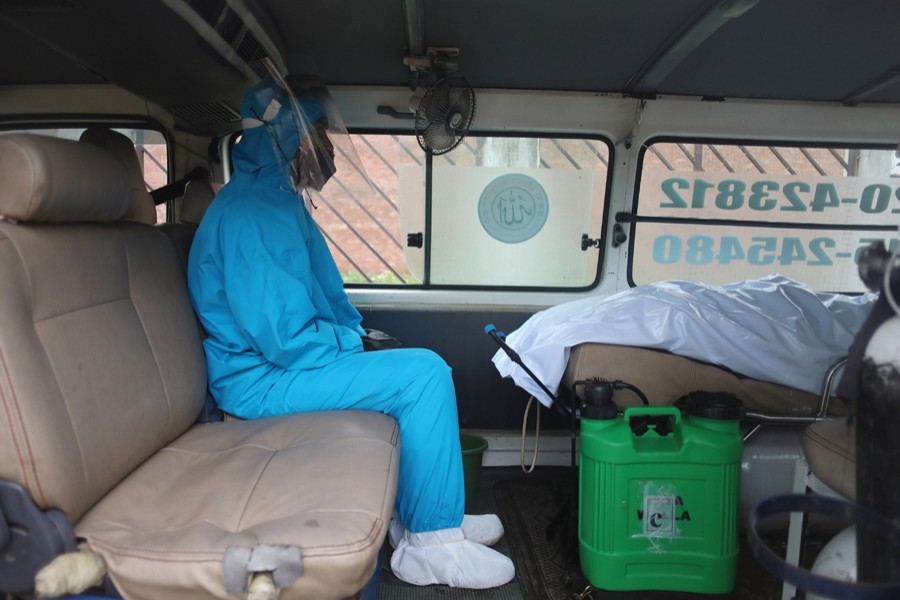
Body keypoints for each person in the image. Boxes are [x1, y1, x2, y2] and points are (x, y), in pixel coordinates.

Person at [186, 73, 515, 589]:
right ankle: (432, 546)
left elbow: (307, 305)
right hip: (260, 384)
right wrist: (352, 343)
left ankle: (424, 520)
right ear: (288, 140)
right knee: (423, 374)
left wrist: (355, 338)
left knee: (412, 371)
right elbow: (285, 336)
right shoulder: (252, 212)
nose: (331, 156)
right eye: (320, 139)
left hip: (276, 368)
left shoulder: (276, 199)